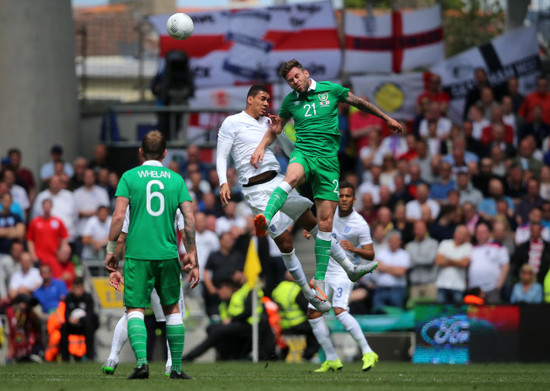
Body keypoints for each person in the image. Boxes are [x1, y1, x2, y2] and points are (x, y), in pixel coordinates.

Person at [217, 84, 377, 313]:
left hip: (279, 182)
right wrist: (223, 181)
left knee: (314, 226)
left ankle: (350, 267)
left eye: (268, 100)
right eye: (262, 99)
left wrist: (279, 132)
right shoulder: (231, 122)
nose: (266, 103)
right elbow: (221, 156)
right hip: (255, 191)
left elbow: (293, 153)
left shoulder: (268, 124)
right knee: (285, 243)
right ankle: (309, 293)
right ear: (250, 99)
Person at [250, 61, 401, 302]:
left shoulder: (330, 89)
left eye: (297, 76)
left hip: (329, 163)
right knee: (291, 176)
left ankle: (319, 279)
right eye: (290, 80)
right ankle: (265, 218)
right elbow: (276, 128)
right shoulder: (290, 101)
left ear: (306, 73)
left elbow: (360, 103)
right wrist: (261, 146)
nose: (295, 82)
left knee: (325, 222)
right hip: (304, 153)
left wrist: (386, 118)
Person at [104, 130, 198, 380]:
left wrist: (111, 251)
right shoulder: (176, 180)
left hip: (138, 255)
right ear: (165, 153)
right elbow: (189, 219)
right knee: (173, 312)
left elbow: (118, 217)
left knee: (135, 310)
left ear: (140, 152)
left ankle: (142, 364)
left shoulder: (129, 177)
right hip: (167, 254)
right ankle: (175, 368)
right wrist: (192, 255)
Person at [304, 182, 378, 372]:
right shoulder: (330, 212)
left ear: (354, 199)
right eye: (341, 196)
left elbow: (371, 254)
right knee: (313, 313)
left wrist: (353, 248)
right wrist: (309, 230)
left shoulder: (359, 224)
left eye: (348, 196)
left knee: (339, 310)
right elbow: (319, 226)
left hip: (344, 273)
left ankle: (368, 351)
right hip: (325, 270)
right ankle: (331, 358)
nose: (344, 199)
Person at [102, 208, 186, 376]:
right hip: (166, 260)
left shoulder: (134, 198)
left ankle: (114, 358)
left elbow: (121, 233)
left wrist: (114, 263)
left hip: (139, 261)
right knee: (174, 313)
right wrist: (193, 257)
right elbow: (186, 229)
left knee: (132, 312)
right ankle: (171, 364)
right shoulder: (173, 194)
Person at [271, 271, 319, 362]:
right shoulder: (296, 289)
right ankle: (308, 356)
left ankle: (282, 355)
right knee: (316, 328)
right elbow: (307, 308)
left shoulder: (277, 289)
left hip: (282, 325)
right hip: (297, 324)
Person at [468, 223, 510, 304]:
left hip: (492, 288)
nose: (481, 235)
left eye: (483, 232)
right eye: (478, 232)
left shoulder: (498, 246)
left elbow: (505, 266)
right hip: (474, 289)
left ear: (489, 233)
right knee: (474, 315)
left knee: (492, 314)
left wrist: (498, 285)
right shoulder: (471, 248)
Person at [60, 276, 98, 362]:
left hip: (85, 324)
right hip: (72, 325)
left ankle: (90, 356)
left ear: (82, 288)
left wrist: (80, 320)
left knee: (89, 326)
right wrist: (69, 319)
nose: (77, 291)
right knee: (63, 327)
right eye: (75, 288)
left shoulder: (88, 297)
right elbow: (66, 313)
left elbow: (90, 314)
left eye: (79, 288)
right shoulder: (69, 298)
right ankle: (65, 357)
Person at [435, 225, 472, 304]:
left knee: (457, 314)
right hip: (442, 284)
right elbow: (438, 261)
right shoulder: (445, 243)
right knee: (440, 312)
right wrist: (457, 261)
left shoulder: (468, 247)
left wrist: (448, 259)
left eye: (465, 234)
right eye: (460, 233)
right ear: (455, 233)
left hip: (458, 286)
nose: (462, 236)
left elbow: (464, 263)